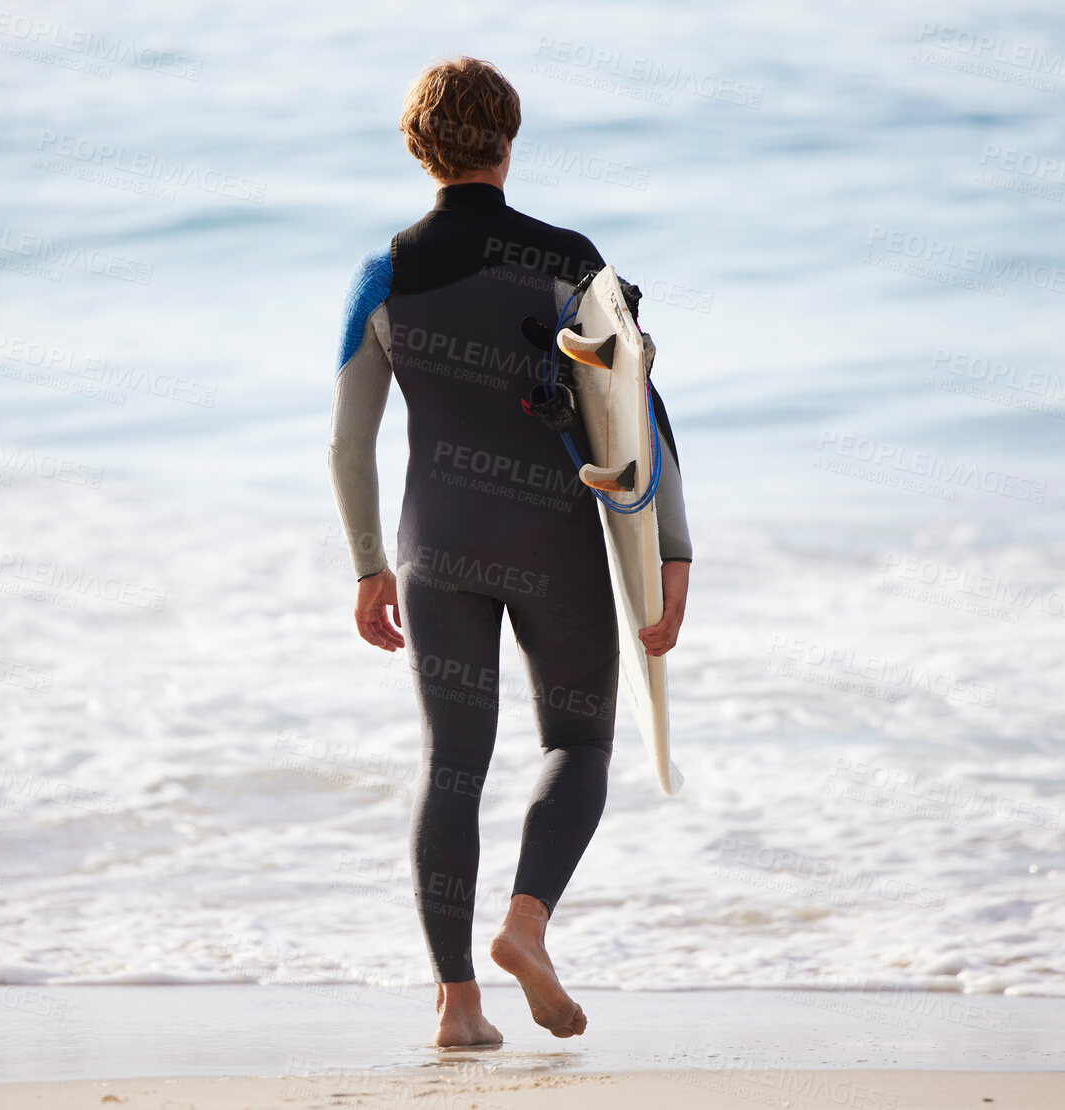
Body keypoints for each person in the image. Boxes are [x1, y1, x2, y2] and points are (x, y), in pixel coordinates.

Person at [326, 57, 692, 1048]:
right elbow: (635, 412)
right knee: (574, 745)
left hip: (433, 545)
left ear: (417, 148)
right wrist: (673, 550)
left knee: (450, 762)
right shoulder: (573, 259)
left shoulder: (382, 273)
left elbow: (347, 442)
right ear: (508, 138)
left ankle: (454, 1005)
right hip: (554, 539)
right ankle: (524, 926)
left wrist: (366, 566)